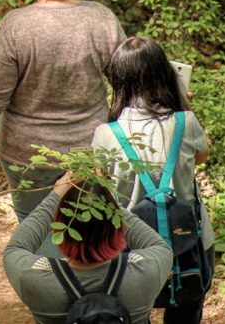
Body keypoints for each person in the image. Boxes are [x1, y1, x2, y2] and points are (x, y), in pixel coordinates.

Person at [0, 0, 125, 218]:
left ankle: (41, 262)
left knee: (36, 231)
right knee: (85, 234)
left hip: (25, 153)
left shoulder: (15, 25)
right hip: (88, 149)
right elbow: (128, 79)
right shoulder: (101, 19)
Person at [91, 37, 215, 324]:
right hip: (188, 241)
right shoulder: (186, 122)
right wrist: (182, 105)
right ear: (165, 73)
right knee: (186, 313)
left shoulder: (106, 134)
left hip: (130, 246)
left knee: (134, 313)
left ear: (118, 80)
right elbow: (201, 156)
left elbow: (100, 182)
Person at [4, 174, 173, 323]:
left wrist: (57, 195)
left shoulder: (33, 278)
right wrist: (105, 198)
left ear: (59, 229)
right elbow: (157, 243)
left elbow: (16, 247)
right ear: (117, 229)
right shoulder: (146, 270)